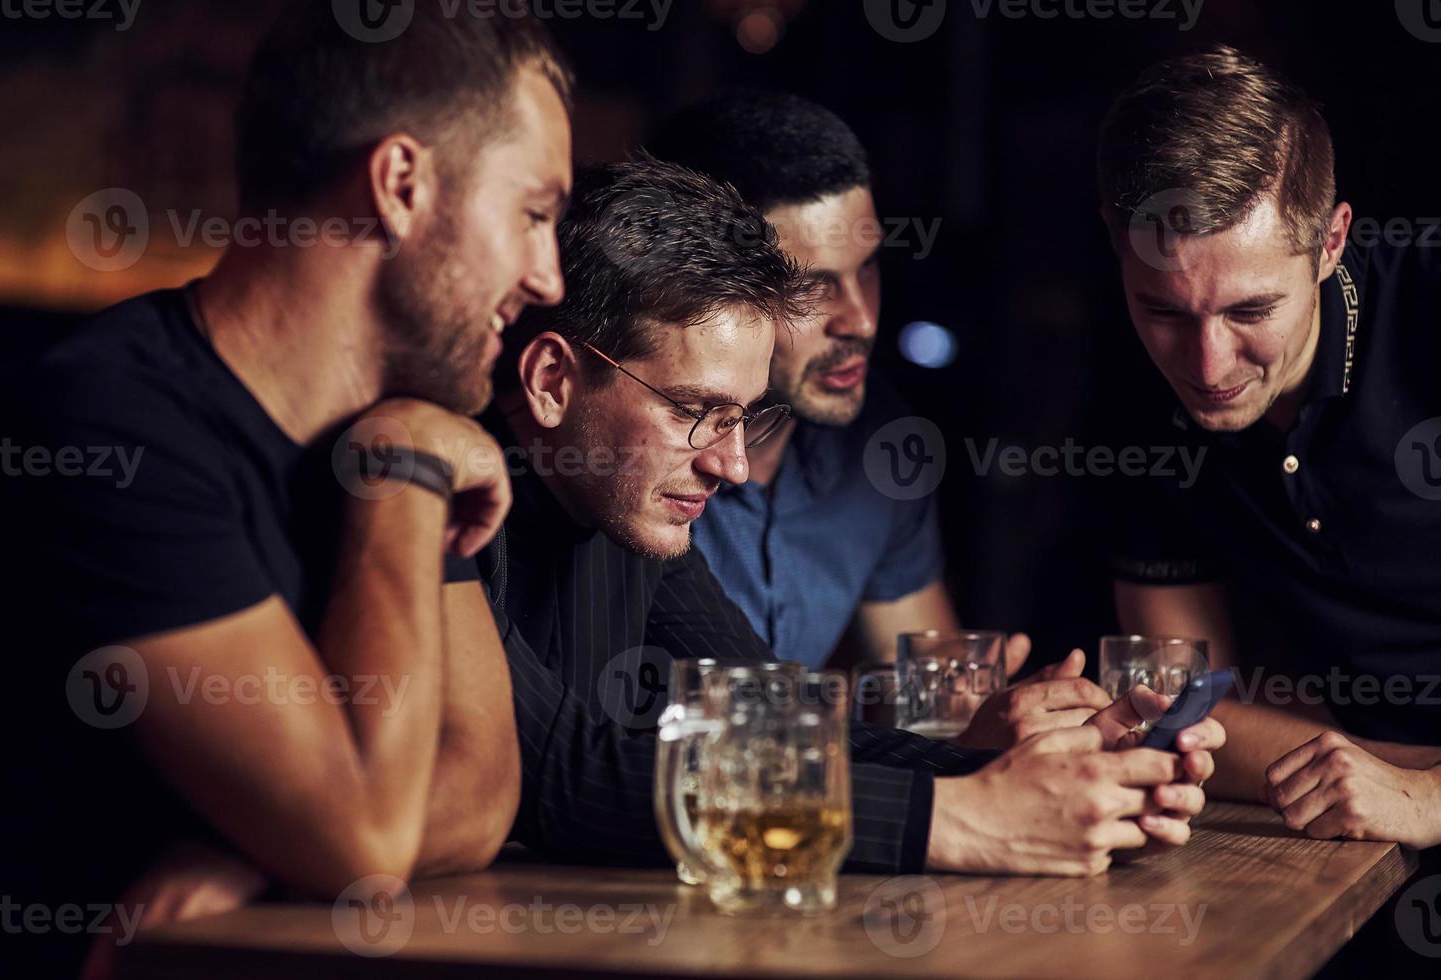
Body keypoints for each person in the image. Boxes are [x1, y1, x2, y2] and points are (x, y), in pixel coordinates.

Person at [0, 2, 571, 974]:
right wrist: (402, 472)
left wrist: (258, 851)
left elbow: (480, 780)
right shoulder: (109, 424)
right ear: (401, 183)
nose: (547, 274)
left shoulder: (399, 432)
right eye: (535, 214)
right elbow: (363, 840)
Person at [481, 155, 1224, 880]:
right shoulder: (449, 497)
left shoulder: (625, 506)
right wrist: (960, 817)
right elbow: (555, 774)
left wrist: (1034, 779)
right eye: (694, 412)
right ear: (552, 380)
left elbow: (788, 720)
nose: (732, 464)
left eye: (743, 418)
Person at [650, 92, 1112, 749]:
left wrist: (1017, 730)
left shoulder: (881, 439)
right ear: (702, 284)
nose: (862, 321)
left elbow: (930, 701)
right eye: (813, 287)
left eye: (867, 269)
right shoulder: (632, 455)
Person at [1097, 45, 1441, 849]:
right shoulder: (1132, 381)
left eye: (1251, 311)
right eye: (1166, 312)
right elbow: (1176, 712)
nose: (1207, 366)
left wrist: (1428, 795)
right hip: (1347, 830)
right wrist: (1386, 772)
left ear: (1330, 243)